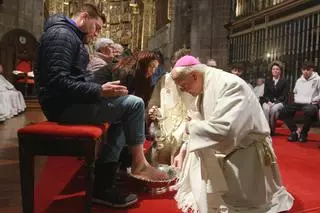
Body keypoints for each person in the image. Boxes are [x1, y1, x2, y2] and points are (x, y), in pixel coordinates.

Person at [35, 4, 167, 208]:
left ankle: (104, 184)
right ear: (84, 17)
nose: (97, 33)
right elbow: (57, 83)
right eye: (96, 27)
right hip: (62, 107)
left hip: (70, 102)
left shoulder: (69, 35)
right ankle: (137, 165)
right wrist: (98, 91)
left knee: (126, 108)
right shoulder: (61, 35)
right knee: (134, 104)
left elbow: (72, 79)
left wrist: (99, 90)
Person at [171, 56, 294, 213]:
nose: (183, 90)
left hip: (246, 153)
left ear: (194, 75)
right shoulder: (204, 85)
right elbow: (201, 120)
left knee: (242, 206)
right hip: (228, 150)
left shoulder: (230, 85)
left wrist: (190, 128)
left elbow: (226, 131)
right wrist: (184, 148)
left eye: (183, 85)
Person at [281, 61, 320, 142]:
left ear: (312, 70)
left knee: (309, 110)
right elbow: (295, 91)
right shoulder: (299, 80)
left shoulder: (317, 79)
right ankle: (294, 131)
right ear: (302, 70)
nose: (305, 71)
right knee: (284, 111)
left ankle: (304, 133)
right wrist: (297, 98)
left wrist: (314, 100)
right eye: (304, 69)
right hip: (299, 102)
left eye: (308, 69)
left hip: (311, 103)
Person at [262, 61, 289, 136]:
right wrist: (268, 102)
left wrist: (275, 102)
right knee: (266, 108)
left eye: (277, 69)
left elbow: (284, 96)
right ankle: (266, 129)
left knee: (274, 109)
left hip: (280, 102)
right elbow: (265, 94)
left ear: (280, 71)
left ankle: (272, 130)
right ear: (271, 70)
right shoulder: (268, 80)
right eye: (273, 69)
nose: (275, 71)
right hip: (268, 101)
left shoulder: (285, 81)